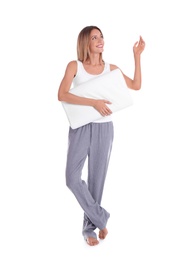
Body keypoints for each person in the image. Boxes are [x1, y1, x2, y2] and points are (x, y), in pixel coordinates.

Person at [58, 25, 145, 246]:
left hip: (104, 128)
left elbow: (136, 85)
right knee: (72, 178)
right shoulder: (74, 66)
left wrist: (136, 56)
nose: (100, 40)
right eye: (94, 37)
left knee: (97, 181)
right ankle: (100, 218)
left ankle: (89, 230)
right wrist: (94, 103)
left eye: (101, 36)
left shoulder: (111, 68)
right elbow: (62, 94)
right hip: (80, 127)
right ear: (85, 42)